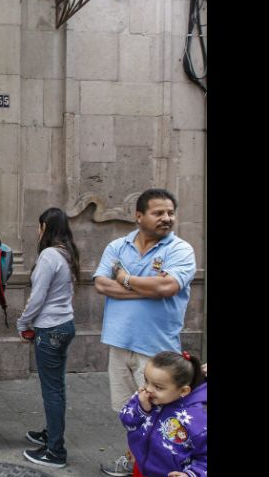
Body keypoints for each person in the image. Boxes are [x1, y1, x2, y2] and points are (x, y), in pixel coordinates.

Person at [93, 188, 197, 476]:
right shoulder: (117, 247)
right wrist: (147, 289)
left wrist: (125, 279)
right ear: (138, 216)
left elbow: (167, 287)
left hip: (157, 351)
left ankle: (161, 467)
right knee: (130, 412)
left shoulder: (180, 250)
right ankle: (134, 460)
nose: (167, 218)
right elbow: (101, 284)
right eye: (158, 213)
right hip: (119, 343)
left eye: (170, 213)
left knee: (163, 414)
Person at [16, 207, 80, 469]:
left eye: (39, 226)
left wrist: (23, 323)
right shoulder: (67, 253)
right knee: (58, 388)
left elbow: (38, 297)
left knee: (51, 391)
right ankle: (51, 433)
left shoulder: (49, 255)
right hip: (64, 324)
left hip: (50, 329)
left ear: (45, 227)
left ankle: (55, 450)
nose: (37, 231)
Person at [119, 351, 207, 477]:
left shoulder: (197, 418)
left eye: (158, 387)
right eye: (146, 381)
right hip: (139, 467)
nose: (148, 389)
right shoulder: (144, 398)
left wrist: (191, 474)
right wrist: (141, 408)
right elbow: (126, 420)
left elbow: (204, 456)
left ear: (183, 390)